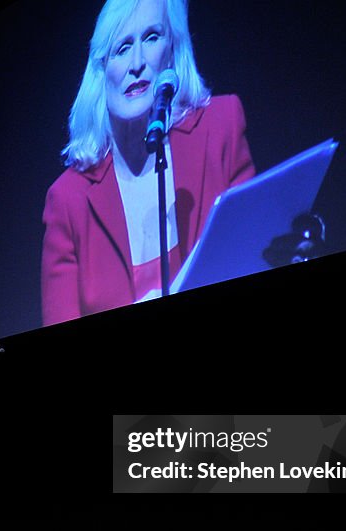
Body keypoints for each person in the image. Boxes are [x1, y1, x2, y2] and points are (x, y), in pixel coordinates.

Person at [41, 0, 256, 326]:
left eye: (152, 37)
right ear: (100, 71)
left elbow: (257, 252)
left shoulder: (221, 127)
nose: (137, 63)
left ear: (173, 49)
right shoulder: (68, 201)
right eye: (122, 47)